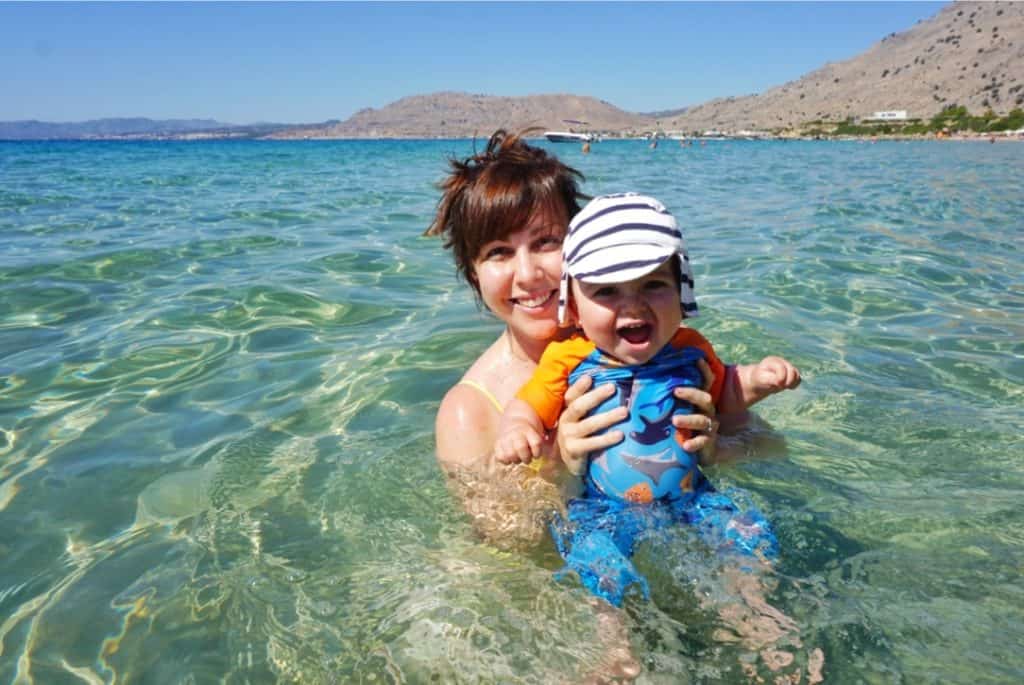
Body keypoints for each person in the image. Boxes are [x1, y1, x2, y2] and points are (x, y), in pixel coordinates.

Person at [493, 193, 801, 607]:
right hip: (601, 507)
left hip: (693, 498)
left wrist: (758, 380)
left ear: (682, 291)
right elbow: (529, 404)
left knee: (750, 533)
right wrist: (518, 430)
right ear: (574, 306)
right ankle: (613, 637)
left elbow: (724, 390)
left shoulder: (690, 348)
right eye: (606, 291)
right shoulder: (568, 358)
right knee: (594, 558)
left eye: (654, 285)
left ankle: (755, 614)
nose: (632, 305)